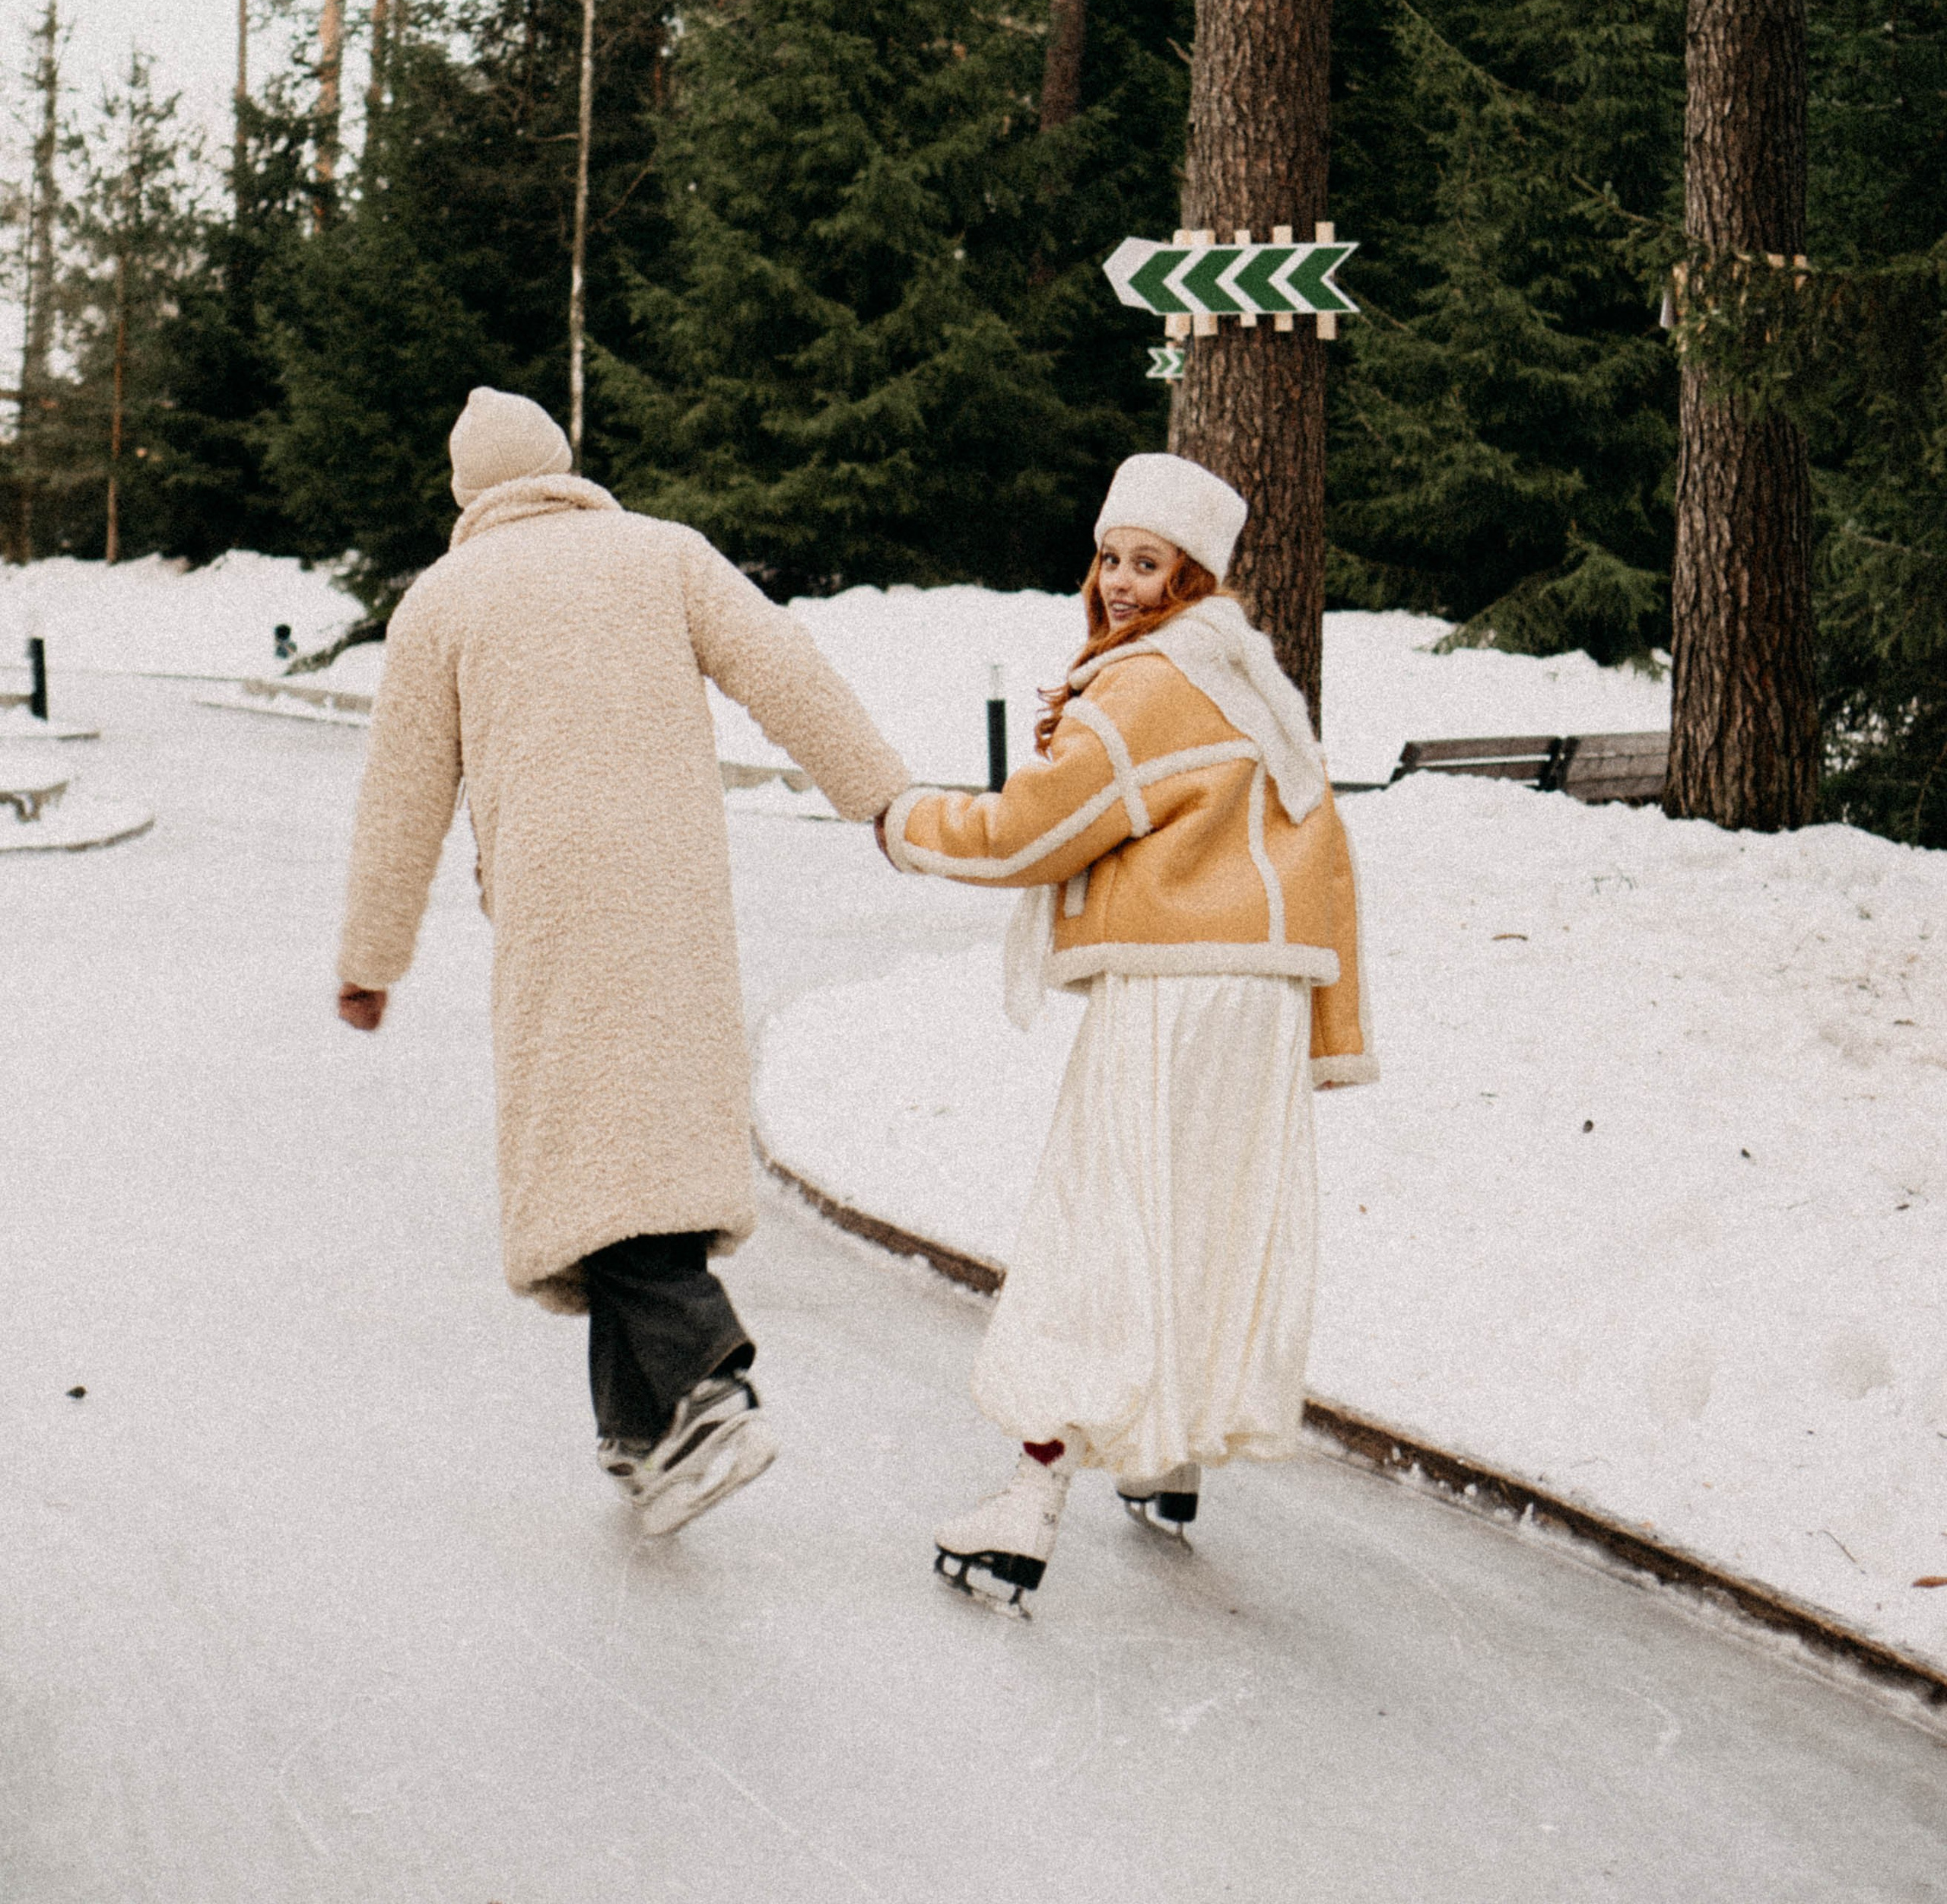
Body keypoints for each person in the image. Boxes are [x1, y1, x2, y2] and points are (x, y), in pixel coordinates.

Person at [335, 387, 910, 1537]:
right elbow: (783, 669)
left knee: (587, 1142)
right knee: (647, 1127)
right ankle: (639, 1431)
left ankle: (710, 1382)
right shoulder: (665, 555)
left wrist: (371, 956)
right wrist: (881, 794)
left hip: (553, 898)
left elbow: (403, 799)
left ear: (467, 494)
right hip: (678, 883)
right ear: (560, 463)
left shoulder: (442, 600)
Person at [876, 450, 1376, 1608]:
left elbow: (1028, 834)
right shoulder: (1248, 678)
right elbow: (1327, 858)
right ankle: (1166, 1456)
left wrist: (906, 823)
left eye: (1148, 563)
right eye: (1109, 557)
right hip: (1255, 1001)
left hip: (1179, 994)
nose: (1119, 584)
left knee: (1100, 1221)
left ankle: (1026, 1502)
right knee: (1195, 1215)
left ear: (1193, 576)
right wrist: (1333, 1022)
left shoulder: (1150, 687)